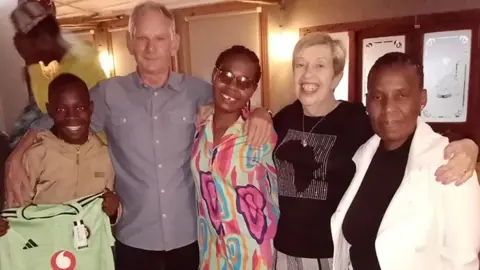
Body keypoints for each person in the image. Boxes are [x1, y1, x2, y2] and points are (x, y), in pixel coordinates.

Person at [4, 2, 273, 270]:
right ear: (130, 42)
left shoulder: (199, 92)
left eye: (159, 38)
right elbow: (60, 115)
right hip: (133, 239)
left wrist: (262, 112)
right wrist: (16, 155)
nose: (151, 48)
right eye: (142, 38)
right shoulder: (109, 94)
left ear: (174, 42)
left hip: (191, 238)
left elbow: (235, 103)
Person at [271, 33, 478, 270]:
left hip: (327, 255)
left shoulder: (357, 120)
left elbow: (463, 259)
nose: (308, 73)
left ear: (336, 76)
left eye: (319, 65)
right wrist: (259, 115)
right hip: (286, 250)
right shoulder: (282, 119)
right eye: (300, 64)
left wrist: (469, 145)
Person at [332, 52, 480, 270]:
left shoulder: (449, 162)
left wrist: (471, 144)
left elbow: (463, 261)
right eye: (378, 97)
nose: (388, 108)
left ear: (422, 99)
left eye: (401, 95)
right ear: (367, 101)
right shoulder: (363, 154)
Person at [0, 73, 120, 270]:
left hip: (89, 255)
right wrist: (6, 224)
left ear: (91, 108)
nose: (72, 117)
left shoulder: (105, 155)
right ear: (49, 111)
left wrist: (114, 211)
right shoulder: (35, 155)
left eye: (80, 108)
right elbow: (15, 210)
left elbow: (108, 208)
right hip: (46, 255)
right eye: (61, 109)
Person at [191, 45, 279, 269]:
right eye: (226, 76)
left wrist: (264, 111)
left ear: (253, 90)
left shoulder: (262, 133)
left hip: (254, 255)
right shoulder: (199, 128)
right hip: (211, 252)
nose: (232, 87)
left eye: (244, 82)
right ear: (214, 75)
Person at [9, 0, 107, 147]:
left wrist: (30, 61)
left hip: (93, 151)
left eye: (31, 48)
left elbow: (47, 109)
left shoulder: (79, 68)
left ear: (45, 40)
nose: (38, 60)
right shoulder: (76, 53)